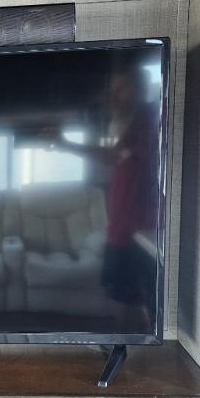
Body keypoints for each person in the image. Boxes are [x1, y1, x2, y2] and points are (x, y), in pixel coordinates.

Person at [41, 63, 161, 328]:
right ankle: (125, 346)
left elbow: (113, 157)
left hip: (139, 231)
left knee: (144, 304)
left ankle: (138, 348)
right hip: (122, 228)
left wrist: (65, 144)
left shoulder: (148, 119)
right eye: (114, 89)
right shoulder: (132, 123)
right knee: (124, 297)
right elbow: (118, 157)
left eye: (122, 89)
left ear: (139, 88)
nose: (115, 95)